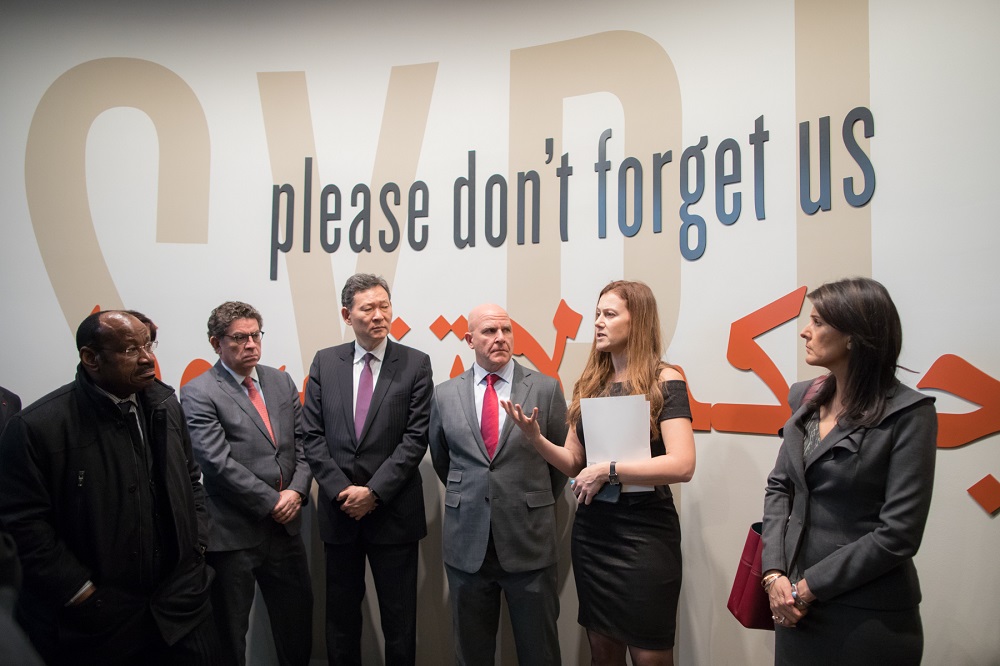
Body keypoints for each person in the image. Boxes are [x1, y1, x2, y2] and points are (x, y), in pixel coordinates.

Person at [0, 311, 219, 665]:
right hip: (96, 622)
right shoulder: (37, 427)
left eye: (148, 344)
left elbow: (190, 478)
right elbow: (22, 524)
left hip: (179, 607)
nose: (148, 357)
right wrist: (79, 591)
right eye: (131, 350)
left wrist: (197, 547)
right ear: (91, 359)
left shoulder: (165, 406)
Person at [503, 280, 696, 666]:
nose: (598, 323)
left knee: (650, 655)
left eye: (609, 314)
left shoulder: (666, 380)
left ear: (637, 321)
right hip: (595, 535)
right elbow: (575, 463)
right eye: (597, 315)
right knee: (602, 652)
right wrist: (537, 438)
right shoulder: (590, 383)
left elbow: (682, 464)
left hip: (646, 536)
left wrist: (609, 472)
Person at [761, 277, 937, 665]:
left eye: (819, 322)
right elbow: (779, 488)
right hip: (792, 608)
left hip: (866, 618)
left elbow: (899, 534)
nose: (805, 332)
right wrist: (773, 574)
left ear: (855, 336)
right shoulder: (805, 398)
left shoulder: (909, 414)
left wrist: (809, 587)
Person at [302, 273, 433, 665]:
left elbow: (415, 438)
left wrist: (373, 493)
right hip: (340, 513)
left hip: (393, 513)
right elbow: (312, 435)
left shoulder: (415, 364)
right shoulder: (326, 362)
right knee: (340, 621)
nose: (379, 316)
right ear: (347, 314)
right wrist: (344, 492)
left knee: (400, 622)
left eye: (384, 306)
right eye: (367, 308)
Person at [429, 303, 568, 665]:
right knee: (471, 654)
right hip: (467, 544)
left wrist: (528, 500)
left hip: (529, 542)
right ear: (469, 339)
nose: (500, 338)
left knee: (539, 653)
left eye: (506, 330)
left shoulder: (546, 389)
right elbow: (444, 462)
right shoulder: (445, 394)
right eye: (489, 332)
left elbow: (560, 464)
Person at [180, 301, 313, 666]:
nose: (251, 344)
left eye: (256, 335)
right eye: (240, 338)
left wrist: (297, 491)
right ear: (216, 342)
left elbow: (303, 445)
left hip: (286, 530)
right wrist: (273, 501)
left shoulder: (279, 380)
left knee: (297, 628)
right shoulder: (198, 391)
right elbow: (215, 462)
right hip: (234, 533)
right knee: (229, 635)